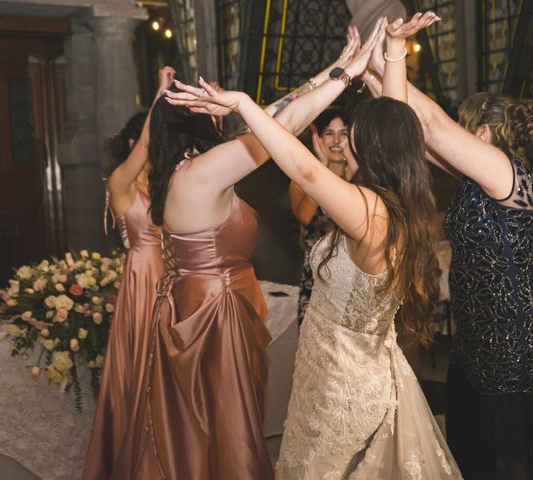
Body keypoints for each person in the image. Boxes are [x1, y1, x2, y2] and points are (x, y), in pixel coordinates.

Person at [182, 13, 463, 479]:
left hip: (343, 386)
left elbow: (306, 172)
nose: (343, 136)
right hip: (339, 369)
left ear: (366, 144)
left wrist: (245, 106)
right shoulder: (398, 201)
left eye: (351, 131)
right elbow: (396, 119)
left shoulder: (369, 211)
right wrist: (393, 50)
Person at [134, 28, 368, 479]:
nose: (225, 102)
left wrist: (333, 68)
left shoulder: (181, 173)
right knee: (228, 427)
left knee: (202, 426)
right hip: (215, 317)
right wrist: (346, 75)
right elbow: (283, 126)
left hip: (193, 306)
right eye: (215, 99)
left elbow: (275, 113)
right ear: (199, 117)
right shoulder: (202, 173)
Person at [364, 20, 533, 480]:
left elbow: (433, 124)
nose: (455, 127)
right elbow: (416, 131)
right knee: (477, 442)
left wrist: (390, 57)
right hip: (481, 327)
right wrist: (374, 73)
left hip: (509, 332)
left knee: (505, 453)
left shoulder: (503, 170)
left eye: (465, 122)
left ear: (484, 131)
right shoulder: (479, 178)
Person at [83, 66, 175, 480]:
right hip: (141, 282)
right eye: (151, 141)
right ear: (136, 142)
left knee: (166, 383)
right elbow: (144, 150)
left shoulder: (163, 185)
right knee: (141, 377)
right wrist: (160, 93)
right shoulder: (120, 181)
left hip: (171, 282)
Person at [289, 108, 356, 324]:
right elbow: (305, 217)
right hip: (316, 279)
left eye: (343, 133)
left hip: (355, 277)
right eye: (329, 133)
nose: (336, 140)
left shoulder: (361, 177)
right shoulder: (303, 178)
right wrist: (321, 170)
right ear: (318, 138)